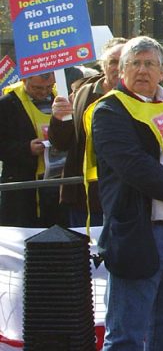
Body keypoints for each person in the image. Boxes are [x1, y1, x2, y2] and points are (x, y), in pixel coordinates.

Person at [89, 36, 163, 351]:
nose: (142, 70)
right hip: (141, 236)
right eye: (135, 63)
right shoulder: (109, 110)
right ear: (121, 70)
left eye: (150, 64)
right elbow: (138, 169)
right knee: (126, 335)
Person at [48, 37, 127, 227]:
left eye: (125, 61)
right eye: (113, 62)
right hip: (87, 199)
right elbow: (62, 143)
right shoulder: (83, 93)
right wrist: (59, 119)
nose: (119, 67)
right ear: (103, 65)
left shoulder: (145, 96)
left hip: (127, 198)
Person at [0, 73, 65, 227]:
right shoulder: (7, 104)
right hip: (23, 187)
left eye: (49, 87)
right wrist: (25, 148)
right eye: (37, 88)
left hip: (57, 182)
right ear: (24, 80)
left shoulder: (62, 98)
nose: (43, 92)